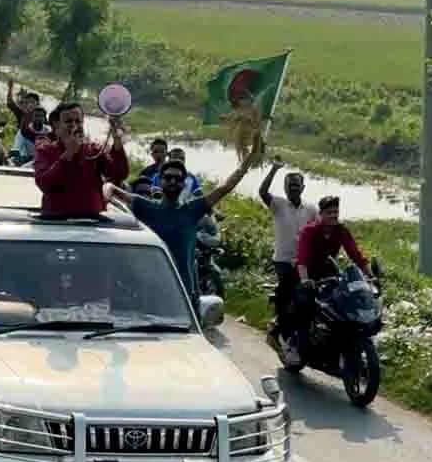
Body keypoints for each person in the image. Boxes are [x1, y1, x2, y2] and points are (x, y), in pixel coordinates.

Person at [108, 145, 260, 298]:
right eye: (168, 177)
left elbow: (226, 187)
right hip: (150, 291)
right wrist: (105, 192)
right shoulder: (146, 207)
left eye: (178, 178)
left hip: (183, 293)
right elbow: (112, 190)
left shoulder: (192, 210)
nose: (173, 181)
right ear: (160, 181)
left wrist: (248, 162)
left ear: (184, 183)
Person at [288, 196, 373, 362]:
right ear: (320, 214)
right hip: (307, 275)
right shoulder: (310, 231)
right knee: (305, 305)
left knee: (342, 305)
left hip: (330, 275)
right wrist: (305, 280)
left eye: (336, 212)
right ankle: (294, 344)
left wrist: (370, 276)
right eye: (329, 212)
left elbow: (356, 255)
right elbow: (302, 259)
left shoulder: (341, 230)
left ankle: (337, 341)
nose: (333, 216)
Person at [259, 161, 318, 347]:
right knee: (288, 296)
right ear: (284, 187)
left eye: (296, 185)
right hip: (283, 261)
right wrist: (274, 169)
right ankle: (278, 330)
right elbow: (262, 192)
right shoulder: (278, 204)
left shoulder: (311, 209)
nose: (292, 188)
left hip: (303, 262)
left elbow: (317, 233)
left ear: (303, 187)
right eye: (289, 185)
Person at [33, 102, 128, 217]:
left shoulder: (94, 150)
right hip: (56, 221)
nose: (74, 125)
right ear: (57, 125)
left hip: (92, 221)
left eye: (78, 121)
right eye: (68, 121)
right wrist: (68, 154)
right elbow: (44, 184)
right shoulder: (45, 150)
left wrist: (117, 143)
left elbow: (118, 174)